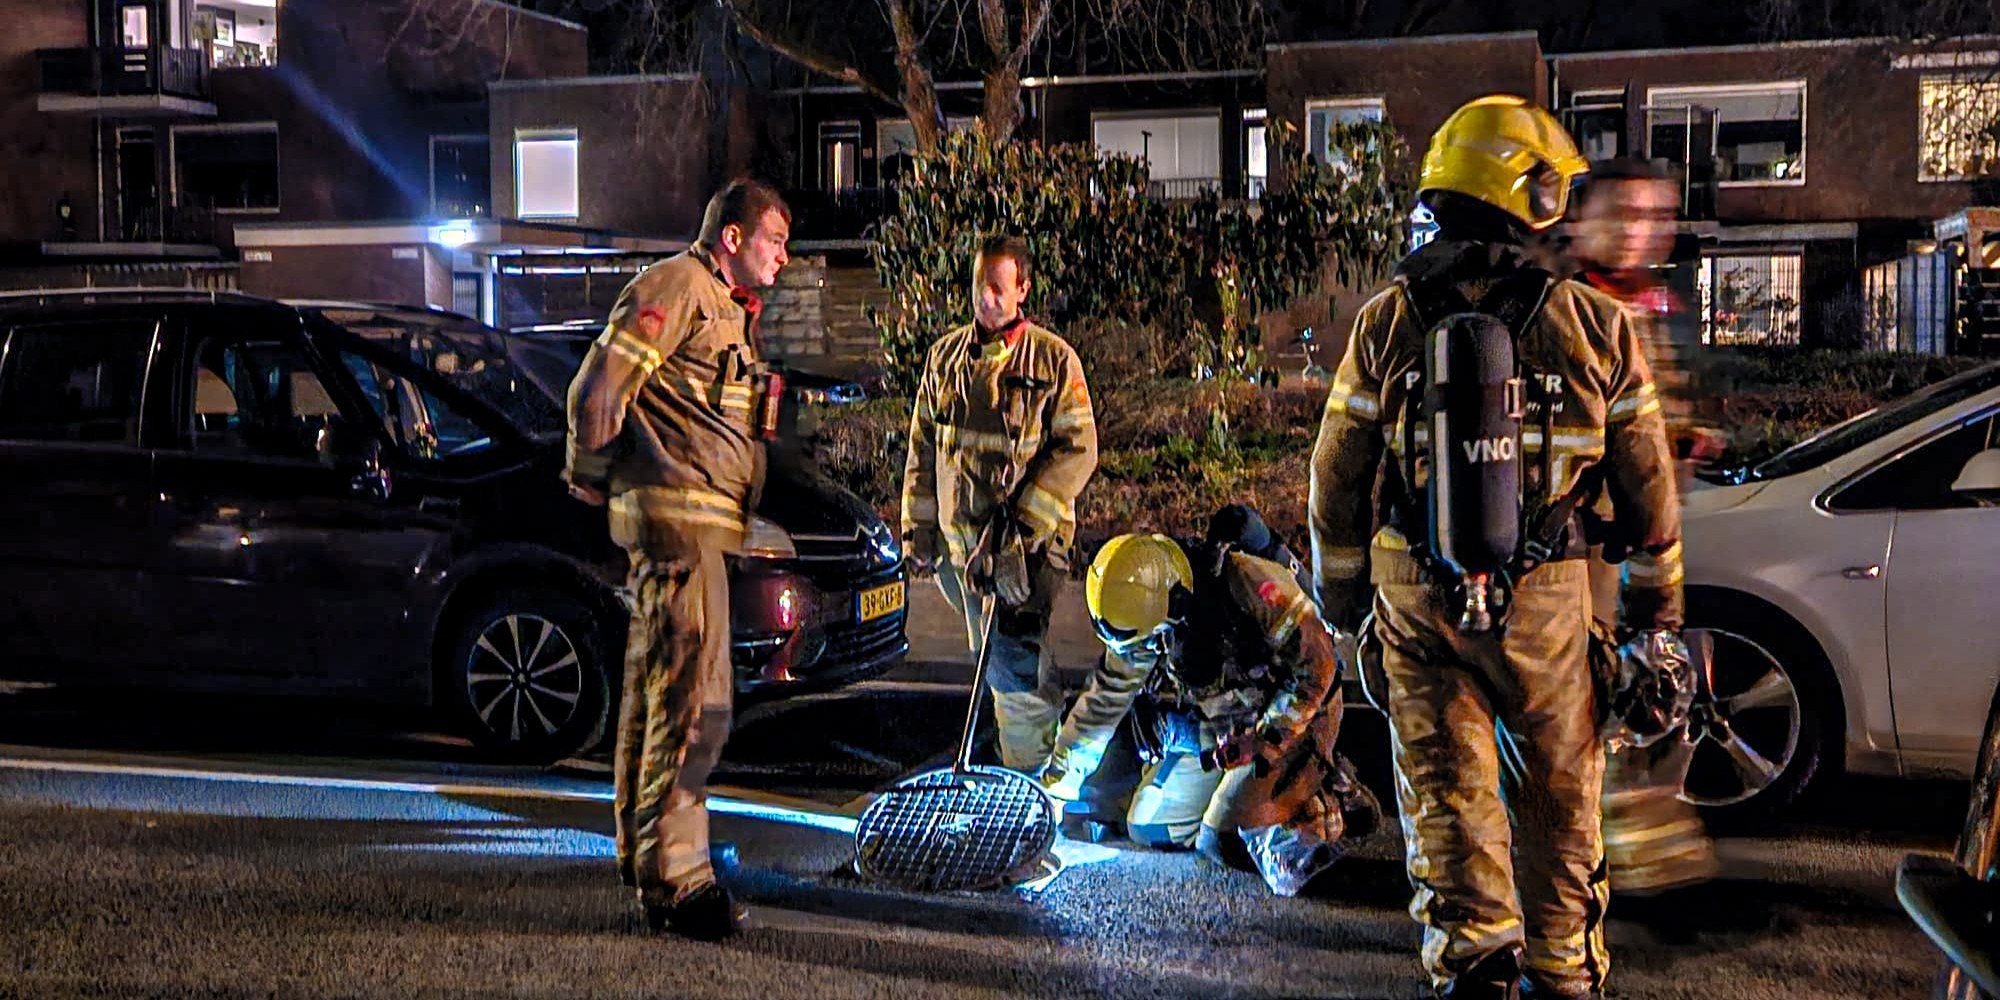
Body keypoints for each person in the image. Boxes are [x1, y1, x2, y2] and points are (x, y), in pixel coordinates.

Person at [1309, 95, 1687, 1000]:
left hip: (1413, 600)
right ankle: (1564, 975)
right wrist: (1655, 618)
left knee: (1449, 817)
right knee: (1562, 816)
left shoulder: (1386, 321)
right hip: (1548, 606)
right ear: (1525, 191)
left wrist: (1347, 600)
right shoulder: (1595, 324)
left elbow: (1334, 478)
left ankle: (1477, 968)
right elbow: (1649, 490)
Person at [564, 178, 792, 940]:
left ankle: (648, 856)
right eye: (774, 241)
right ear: (732, 236)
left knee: (658, 700)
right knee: (698, 706)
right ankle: (681, 884)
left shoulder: (724, 310)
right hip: (678, 530)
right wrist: (590, 479)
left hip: (696, 534)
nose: (784, 259)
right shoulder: (677, 287)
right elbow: (598, 389)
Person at [1039, 528, 1380, 897]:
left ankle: (1331, 800)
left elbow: (1319, 669)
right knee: (1149, 827)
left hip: (1297, 721)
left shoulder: (1252, 584)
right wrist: (1054, 787)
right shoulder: (1142, 613)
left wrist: (1266, 740)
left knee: (1224, 841)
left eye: (1150, 641)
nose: (1147, 650)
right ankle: (1254, 794)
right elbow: (1105, 699)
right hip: (1227, 729)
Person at [1565, 158, 1720, 896]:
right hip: (1592, 548)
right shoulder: (1564, 308)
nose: (1641, 230)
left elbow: (1673, 418)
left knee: (1653, 687)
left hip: (1652, 541)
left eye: (1655, 215)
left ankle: (1640, 854)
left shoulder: (1656, 306)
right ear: (1578, 219)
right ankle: (1602, 864)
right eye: (1624, 213)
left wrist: (1690, 444)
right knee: (1599, 696)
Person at [900, 235, 1098, 772]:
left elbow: (1078, 450)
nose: (985, 299)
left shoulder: (1054, 361)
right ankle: (1014, 765)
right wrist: (918, 533)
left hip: (1026, 558)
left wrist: (1023, 534)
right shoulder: (944, 359)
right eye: (977, 287)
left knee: (1014, 663)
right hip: (960, 557)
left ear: (1022, 289)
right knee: (994, 664)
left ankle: (1028, 786)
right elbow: (923, 447)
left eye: (996, 288)